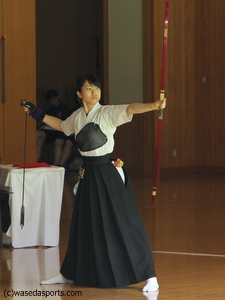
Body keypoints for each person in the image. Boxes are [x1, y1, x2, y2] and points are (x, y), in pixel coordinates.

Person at [21, 74, 166, 292]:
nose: (94, 92)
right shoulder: (77, 116)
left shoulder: (106, 113)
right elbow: (61, 126)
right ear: (80, 94)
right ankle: (67, 273)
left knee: (125, 223)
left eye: (96, 88)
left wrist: (153, 105)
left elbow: (130, 108)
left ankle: (149, 276)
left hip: (108, 173)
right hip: (88, 173)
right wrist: (36, 113)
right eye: (89, 89)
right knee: (83, 224)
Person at [37, 89, 71, 166]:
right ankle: (33, 162)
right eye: (51, 101)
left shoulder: (65, 109)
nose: (53, 102)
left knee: (58, 142)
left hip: (60, 132)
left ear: (58, 97)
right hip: (50, 132)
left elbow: (65, 124)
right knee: (38, 137)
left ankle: (56, 164)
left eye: (54, 99)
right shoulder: (49, 110)